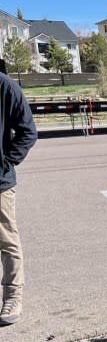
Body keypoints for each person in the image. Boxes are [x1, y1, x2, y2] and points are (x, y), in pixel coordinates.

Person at [0, 69, 38, 326]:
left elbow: (27, 132)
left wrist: (5, 162)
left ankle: (13, 295)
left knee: (6, 240)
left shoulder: (6, 87)